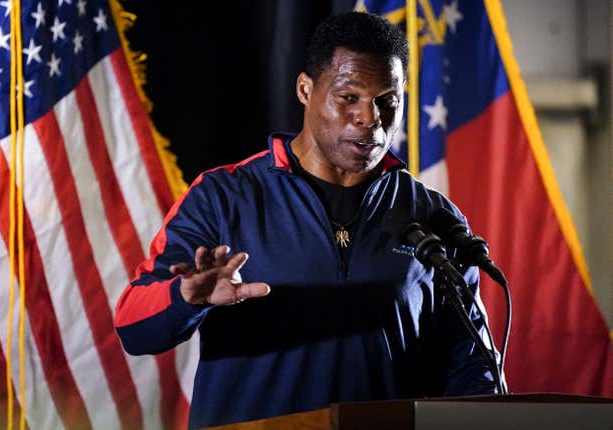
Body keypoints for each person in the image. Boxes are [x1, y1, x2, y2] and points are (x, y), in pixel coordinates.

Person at [114, 12, 500, 429]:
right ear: (305, 89)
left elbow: (473, 367)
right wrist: (184, 298)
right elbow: (133, 327)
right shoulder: (223, 196)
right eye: (349, 97)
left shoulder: (432, 215)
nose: (369, 118)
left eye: (387, 101)